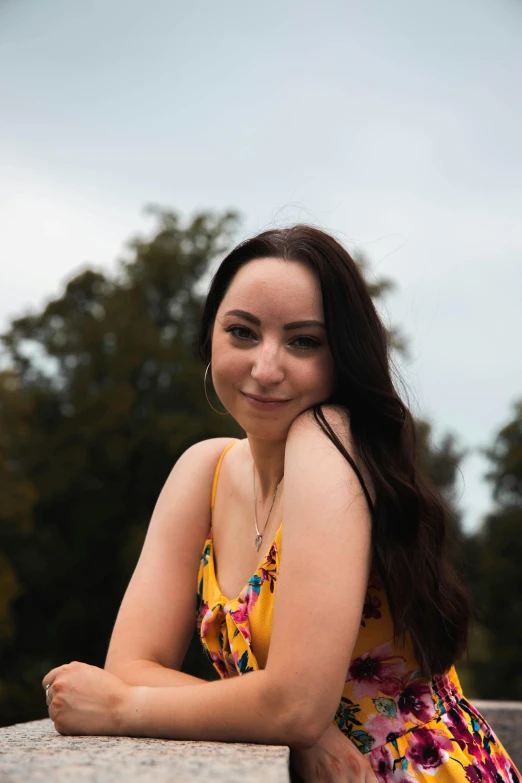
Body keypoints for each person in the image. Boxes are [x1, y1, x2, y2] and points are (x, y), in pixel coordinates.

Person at [42, 225, 520, 783]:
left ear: (343, 357)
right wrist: (299, 727)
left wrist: (127, 710)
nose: (266, 369)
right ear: (208, 340)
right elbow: (131, 665)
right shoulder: (205, 471)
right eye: (242, 332)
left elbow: (290, 704)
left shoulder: (328, 434)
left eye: (304, 341)